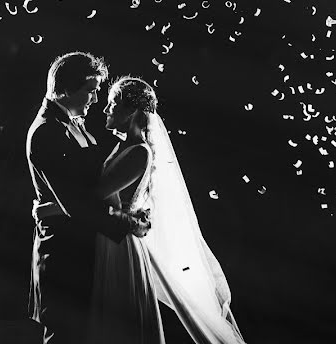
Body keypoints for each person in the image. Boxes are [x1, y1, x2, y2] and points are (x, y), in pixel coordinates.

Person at [89, 76, 246, 344]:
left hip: (120, 243)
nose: (106, 110)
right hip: (112, 233)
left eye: (113, 103)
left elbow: (99, 192)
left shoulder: (139, 152)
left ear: (133, 111)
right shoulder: (123, 145)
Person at [27, 52, 152, 344]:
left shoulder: (73, 125)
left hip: (88, 247)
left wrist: (52, 207)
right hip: (63, 252)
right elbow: (79, 204)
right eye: (90, 91)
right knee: (66, 332)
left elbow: (88, 190)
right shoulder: (47, 131)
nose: (96, 99)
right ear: (66, 89)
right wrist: (129, 224)